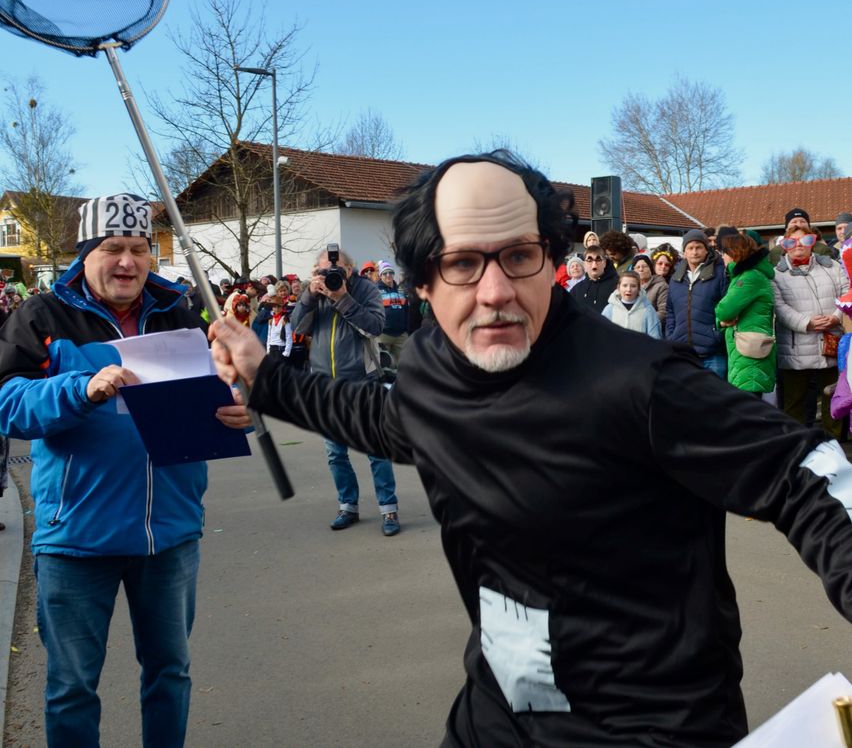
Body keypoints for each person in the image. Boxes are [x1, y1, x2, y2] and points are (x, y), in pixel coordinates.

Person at [209, 150, 852, 748]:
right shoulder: (435, 364)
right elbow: (389, 419)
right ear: (424, 285)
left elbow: (805, 474)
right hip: (498, 710)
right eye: (462, 263)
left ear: (551, 260)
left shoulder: (638, 383)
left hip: (647, 724)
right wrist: (266, 378)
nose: (494, 292)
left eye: (518, 255)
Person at [0, 193, 250, 747]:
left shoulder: (182, 312)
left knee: (170, 675)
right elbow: (7, 402)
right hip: (75, 540)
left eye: (139, 249)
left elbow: (223, 387)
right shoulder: (42, 317)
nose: (127, 262)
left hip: (170, 536)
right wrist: (80, 388)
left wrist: (238, 410)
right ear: (84, 253)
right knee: (71, 687)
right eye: (113, 248)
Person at [290, 247, 400, 536]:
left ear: (349, 270)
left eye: (337, 270)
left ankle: (389, 509)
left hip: (362, 382)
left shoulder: (366, 291)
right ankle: (347, 506)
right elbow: (297, 327)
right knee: (335, 453)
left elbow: (375, 327)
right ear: (316, 272)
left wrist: (342, 298)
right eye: (324, 271)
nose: (331, 275)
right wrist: (309, 296)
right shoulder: (315, 293)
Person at [773, 225, 848, 437]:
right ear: (785, 246)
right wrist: (807, 323)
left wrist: (836, 316)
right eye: (792, 242)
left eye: (804, 241)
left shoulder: (832, 267)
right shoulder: (776, 275)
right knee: (794, 401)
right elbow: (779, 307)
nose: (798, 246)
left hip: (830, 341)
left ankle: (834, 443)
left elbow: (847, 292)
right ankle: (796, 444)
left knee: (833, 396)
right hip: (795, 346)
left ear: (812, 242)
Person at [715, 231, 777, 395]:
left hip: (749, 354)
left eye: (724, 253)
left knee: (750, 411)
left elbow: (724, 310)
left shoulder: (748, 277)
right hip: (746, 352)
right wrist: (721, 322)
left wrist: (720, 319)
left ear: (734, 253)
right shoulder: (750, 274)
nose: (722, 257)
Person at [665, 228, 728, 377]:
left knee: (715, 399)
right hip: (683, 354)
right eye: (690, 248)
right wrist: (672, 336)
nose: (694, 252)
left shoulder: (720, 274)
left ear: (706, 250)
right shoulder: (676, 278)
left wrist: (716, 334)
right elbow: (670, 311)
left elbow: (726, 307)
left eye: (699, 247)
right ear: (684, 252)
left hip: (713, 354)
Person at [601, 270, 661, 338]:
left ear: (639, 288)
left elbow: (655, 337)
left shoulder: (648, 310)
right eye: (625, 285)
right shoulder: (609, 309)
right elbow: (602, 334)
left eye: (633, 286)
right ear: (618, 287)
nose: (628, 289)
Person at [376, 260, 410, 365]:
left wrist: (406, 329)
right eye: (385, 273)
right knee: (384, 366)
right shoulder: (375, 290)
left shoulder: (400, 290)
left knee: (404, 364)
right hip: (383, 335)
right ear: (380, 275)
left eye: (391, 272)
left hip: (401, 335)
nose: (388, 275)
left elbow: (407, 311)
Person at [571, 244, 617, 312]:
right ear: (584, 264)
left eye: (598, 260)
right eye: (590, 260)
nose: (594, 265)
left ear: (604, 263)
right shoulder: (576, 290)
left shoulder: (617, 285)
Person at [631, 252, 667, 325]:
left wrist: (642, 322)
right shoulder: (630, 287)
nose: (641, 269)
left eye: (644, 266)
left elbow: (663, 312)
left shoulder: (661, 286)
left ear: (650, 269)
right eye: (637, 267)